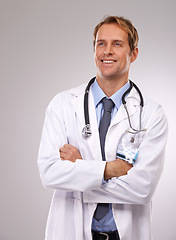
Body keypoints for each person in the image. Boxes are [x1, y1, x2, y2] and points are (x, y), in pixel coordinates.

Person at [37, 16, 168, 240]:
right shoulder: (63, 104)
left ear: (133, 53)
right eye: (101, 43)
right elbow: (49, 174)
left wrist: (80, 169)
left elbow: (142, 188)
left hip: (123, 233)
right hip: (71, 230)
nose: (107, 51)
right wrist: (112, 169)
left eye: (117, 44)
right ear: (94, 50)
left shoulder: (151, 113)